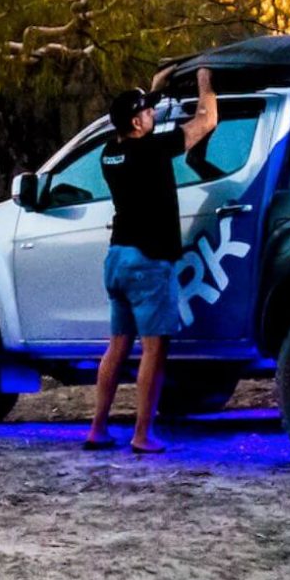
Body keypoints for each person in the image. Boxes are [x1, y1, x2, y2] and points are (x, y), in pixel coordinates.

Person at [85, 67, 219, 453]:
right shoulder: (153, 149)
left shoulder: (110, 152)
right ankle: (143, 434)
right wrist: (205, 81)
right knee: (154, 349)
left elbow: (142, 121)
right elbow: (206, 120)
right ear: (136, 121)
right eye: (145, 112)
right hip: (147, 262)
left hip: (117, 259)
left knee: (117, 346)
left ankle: (98, 428)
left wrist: (154, 93)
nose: (151, 115)